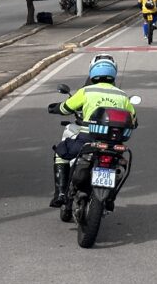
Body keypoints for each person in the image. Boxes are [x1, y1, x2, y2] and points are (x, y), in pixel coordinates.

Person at [47, 57, 137, 208]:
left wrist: (54, 108)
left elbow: (65, 108)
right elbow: (133, 121)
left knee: (61, 154)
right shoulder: (122, 95)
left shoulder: (87, 91)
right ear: (113, 73)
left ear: (92, 72)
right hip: (114, 145)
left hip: (87, 140)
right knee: (119, 166)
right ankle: (110, 199)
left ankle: (61, 194)